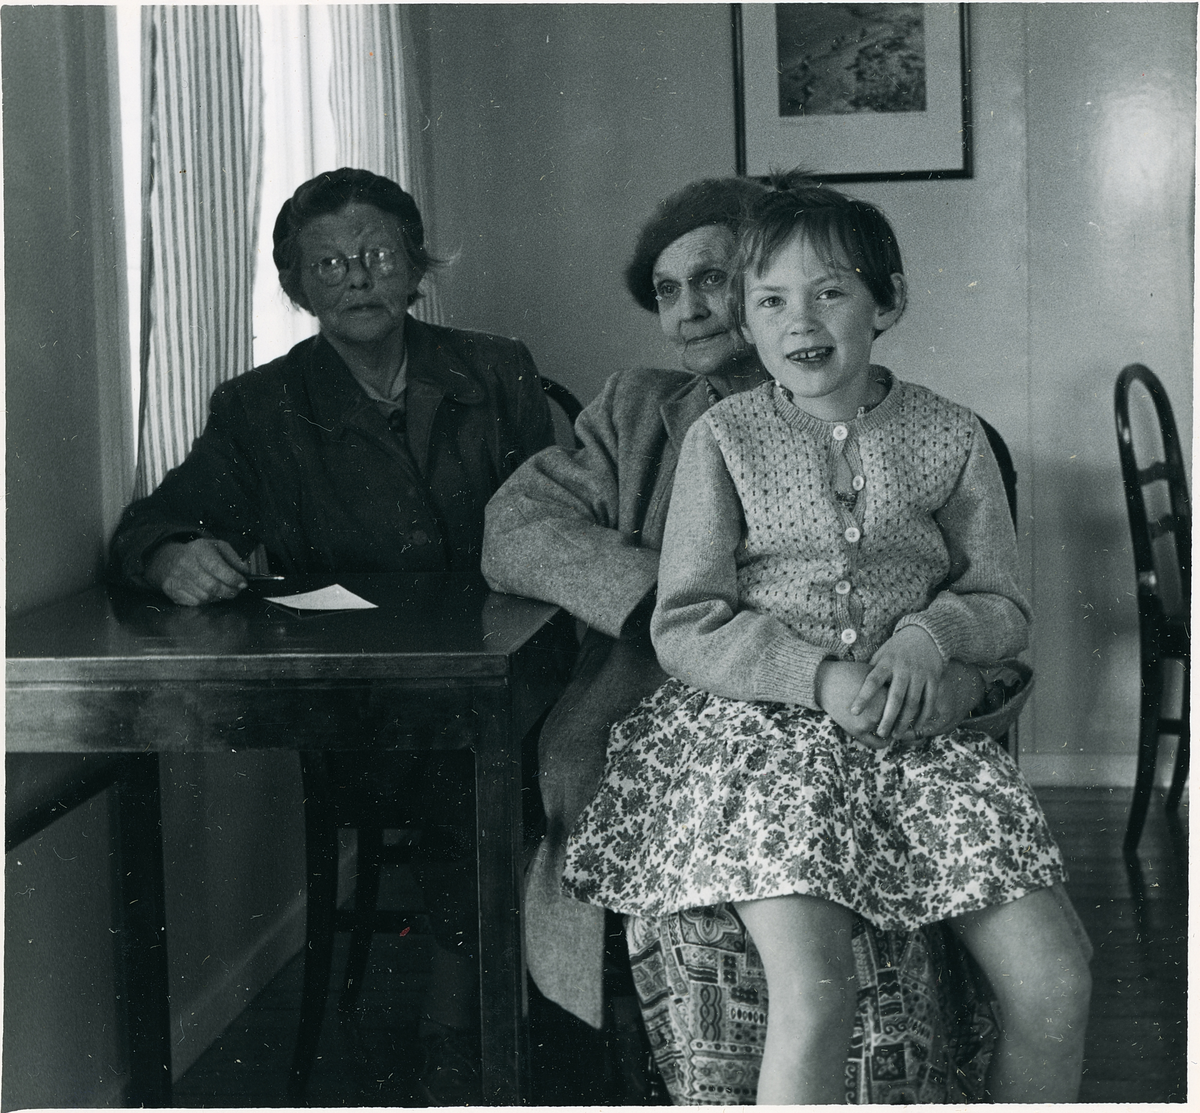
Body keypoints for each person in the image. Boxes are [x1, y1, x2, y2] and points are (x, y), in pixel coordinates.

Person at [482, 176, 1032, 1103]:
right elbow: (516, 526)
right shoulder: (641, 410)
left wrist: (946, 663)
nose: (692, 310)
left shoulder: (926, 430)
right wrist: (667, 590)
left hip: (874, 722)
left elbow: (995, 618)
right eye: (668, 291)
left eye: (712, 279)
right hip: (678, 713)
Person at [109, 167, 554, 1103]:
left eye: (378, 254)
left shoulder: (496, 369)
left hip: (513, 675)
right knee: (472, 775)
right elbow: (155, 523)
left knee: (546, 755)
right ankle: (457, 1026)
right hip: (370, 709)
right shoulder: (260, 406)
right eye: (328, 264)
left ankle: (534, 1001)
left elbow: (556, 519)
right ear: (296, 286)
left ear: (417, 266)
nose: (357, 277)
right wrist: (172, 556)